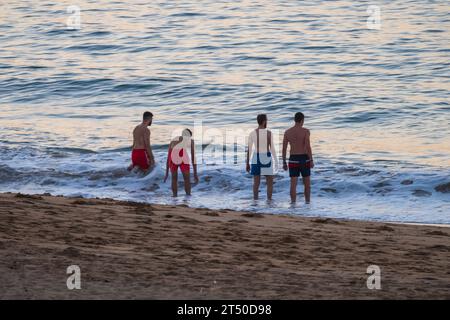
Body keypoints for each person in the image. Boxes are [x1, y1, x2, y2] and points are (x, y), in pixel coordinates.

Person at [282, 112, 314, 203]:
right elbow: (308, 146)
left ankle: (293, 205)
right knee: (307, 184)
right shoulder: (306, 131)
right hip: (304, 159)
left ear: (294, 120)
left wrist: (284, 162)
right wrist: (311, 159)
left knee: (293, 184)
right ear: (302, 120)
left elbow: (284, 148)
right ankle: (307, 203)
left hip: (293, 159)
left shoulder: (287, 132)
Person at [246, 114, 277, 200]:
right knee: (269, 182)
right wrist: (276, 161)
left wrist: (247, 163)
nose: (267, 122)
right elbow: (272, 149)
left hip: (256, 157)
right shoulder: (269, 133)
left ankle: (255, 202)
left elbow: (249, 149)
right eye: (266, 120)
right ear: (264, 121)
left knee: (256, 183)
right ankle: (269, 201)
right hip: (266, 156)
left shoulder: (252, 133)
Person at [164, 129, 199, 197]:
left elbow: (168, 157)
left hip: (173, 155)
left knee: (174, 178)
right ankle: (188, 196)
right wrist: (195, 174)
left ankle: (174, 197)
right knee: (186, 179)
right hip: (182, 156)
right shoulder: (191, 141)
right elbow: (193, 157)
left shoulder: (174, 140)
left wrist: (167, 173)